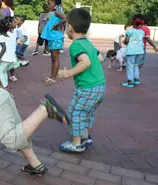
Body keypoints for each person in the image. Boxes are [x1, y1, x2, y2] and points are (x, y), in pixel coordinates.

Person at [58, 8, 106, 153]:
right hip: (99, 86)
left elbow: (85, 62)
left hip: (87, 88)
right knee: (84, 112)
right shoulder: (87, 42)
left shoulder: (76, 45)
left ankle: (76, 143)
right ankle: (85, 136)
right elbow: (100, 58)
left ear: (70, 28)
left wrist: (69, 73)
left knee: (75, 113)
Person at [41, 0, 67, 85]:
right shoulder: (53, 12)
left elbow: (65, 18)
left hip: (56, 38)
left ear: (55, 4)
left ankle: (53, 78)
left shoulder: (57, 12)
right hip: (52, 38)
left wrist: (57, 25)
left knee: (55, 58)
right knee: (53, 58)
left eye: (49, 3)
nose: (48, 5)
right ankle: (52, 76)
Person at [121, 14, 145, 88]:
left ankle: (130, 82)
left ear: (133, 21)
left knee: (130, 66)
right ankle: (136, 79)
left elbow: (127, 41)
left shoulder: (129, 31)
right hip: (140, 51)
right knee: (136, 65)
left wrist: (124, 41)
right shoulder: (142, 31)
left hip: (131, 51)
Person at [0, 17, 18, 90]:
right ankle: (6, 85)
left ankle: (5, 87)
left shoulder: (1, 37)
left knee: (0, 72)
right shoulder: (10, 36)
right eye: (14, 22)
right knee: (4, 71)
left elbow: (4, 48)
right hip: (10, 59)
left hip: (5, 59)